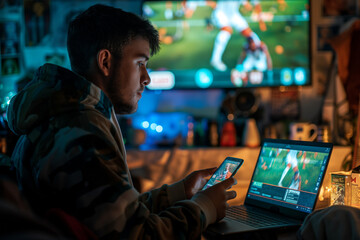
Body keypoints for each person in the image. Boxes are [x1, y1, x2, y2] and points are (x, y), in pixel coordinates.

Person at [6, 4, 237, 239]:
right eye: (140, 64)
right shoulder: (82, 132)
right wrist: (205, 208)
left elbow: (114, 215)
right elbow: (137, 235)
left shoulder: (67, 113)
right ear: (105, 62)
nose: (147, 78)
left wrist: (180, 192)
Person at [209, 0, 265, 72]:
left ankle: (257, 58)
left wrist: (260, 20)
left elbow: (253, 5)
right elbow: (248, 6)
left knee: (250, 35)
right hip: (221, 12)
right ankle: (215, 59)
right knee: (226, 31)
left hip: (233, 14)